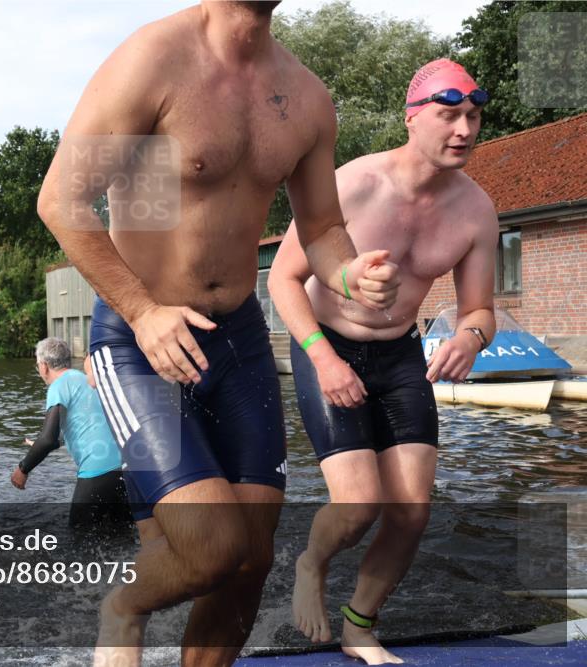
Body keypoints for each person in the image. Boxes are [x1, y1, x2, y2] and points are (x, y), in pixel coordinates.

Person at [36, 2, 401, 664]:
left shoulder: (306, 96)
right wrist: (144, 312)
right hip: (139, 339)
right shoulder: (152, 61)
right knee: (212, 547)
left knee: (251, 561)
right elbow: (62, 198)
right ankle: (121, 605)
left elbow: (320, 229)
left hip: (238, 340)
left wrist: (350, 272)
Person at [267, 58, 497, 665]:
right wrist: (322, 360)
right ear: (412, 118)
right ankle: (311, 563)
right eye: (449, 115)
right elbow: (283, 281)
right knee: (358, 504)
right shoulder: (353, 184)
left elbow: (480, 311)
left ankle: (360, 625)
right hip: (327, 344)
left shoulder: (476, 211)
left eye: (473, 116)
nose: (465, 129)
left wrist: (470, 340)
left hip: (399, 354)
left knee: (411, 512)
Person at [11, 338, 130, 529]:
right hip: (126, 469)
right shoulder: (86, 379)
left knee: (79, 546)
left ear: (43, 366)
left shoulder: (58, 386)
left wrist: (23, 469)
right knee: (121, 542)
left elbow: (47, 439)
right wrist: (47, 444)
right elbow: (87, 426)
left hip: (97, 472)